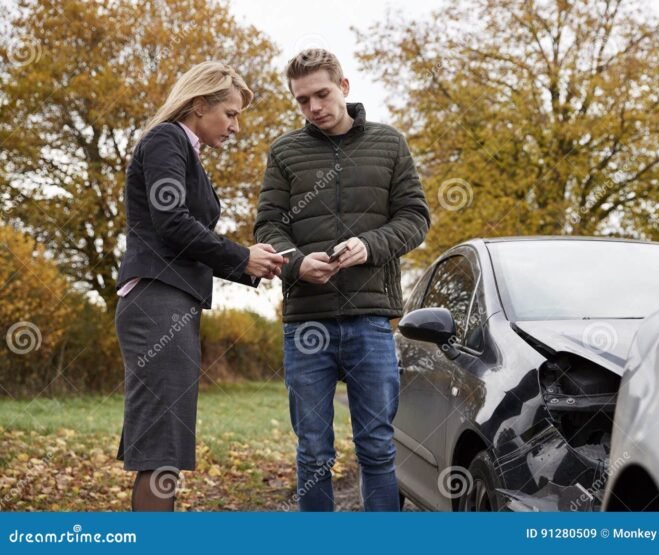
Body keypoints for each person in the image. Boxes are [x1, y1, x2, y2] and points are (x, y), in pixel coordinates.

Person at [255, 49, 430, 511]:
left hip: (370, 319)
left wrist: (370, 244)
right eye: (302, 100)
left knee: (376, 447)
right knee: (313, 452)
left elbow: (415, 218)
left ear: (345, 87)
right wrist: (296, 263)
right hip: (306, 322)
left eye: (322, 94)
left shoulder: (389, 144)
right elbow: (268, 227)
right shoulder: (285, 152)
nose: (314, 107)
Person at [115, 61, 287, 511]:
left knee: (165, 444)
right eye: (229, 114)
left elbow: (185, 241)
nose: (236, 126)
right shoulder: (166, 139)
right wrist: (240, 256)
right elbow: (172, 223)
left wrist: (254, 266)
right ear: (197, 106)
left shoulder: (185, 152)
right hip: (157, 302)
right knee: (161, 448)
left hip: (172, 300)